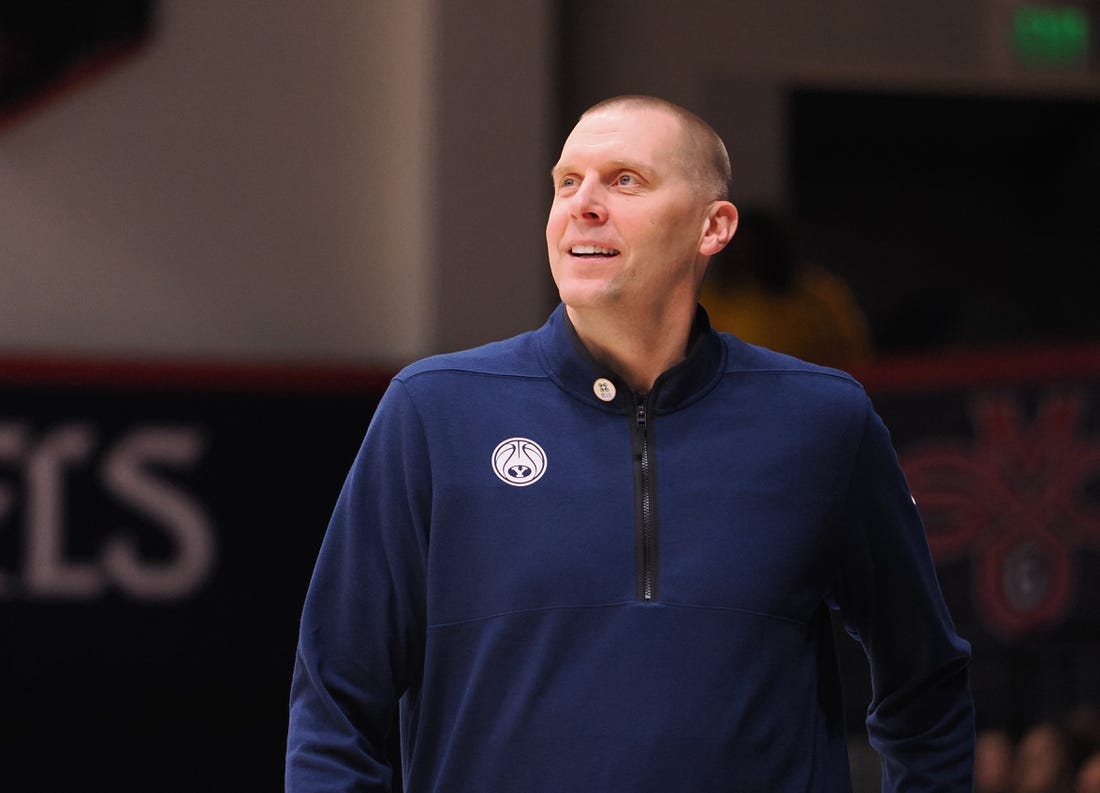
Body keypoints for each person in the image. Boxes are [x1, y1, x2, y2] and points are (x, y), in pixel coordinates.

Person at [286, 94, 974, 792]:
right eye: (567, 182)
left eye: (624, 180)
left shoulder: (825, 420)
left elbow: (928, 685)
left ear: (714, 226)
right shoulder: (432, 409)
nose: (583, 204)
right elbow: (336, 697)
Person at [699, 205, 873, 370]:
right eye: (740, 247)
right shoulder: (707, 299)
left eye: (754, 248)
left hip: (805, 390)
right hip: (731, 394)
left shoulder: (817, 295)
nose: (746, 255)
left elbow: (853, 354)